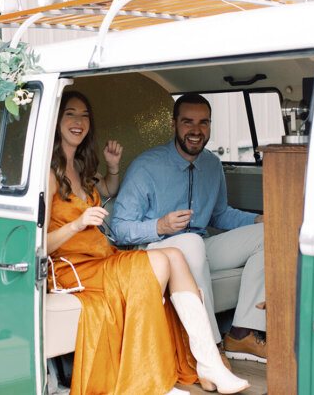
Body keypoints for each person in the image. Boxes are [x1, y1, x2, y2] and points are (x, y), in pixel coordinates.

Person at [47, 90, 250, 395]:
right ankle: (150, 379)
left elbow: (108, 187)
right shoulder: (49, 175)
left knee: (175, 256)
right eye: (70, 114)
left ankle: (210, 363)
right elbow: (37, 244)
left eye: (84, 116)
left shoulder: (81, 167)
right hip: (71, 269)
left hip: (101, 256)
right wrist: (77, 223)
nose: (79, 122)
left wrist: (113, 166)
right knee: (160, 259)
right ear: (56, 120)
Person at [111, 93, 266, 363]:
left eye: (203, 123)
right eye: (188, 122)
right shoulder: (146, 166)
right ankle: (210, 347)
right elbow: (119, 229)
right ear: (174, 125)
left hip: (198, 246)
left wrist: (257, 220)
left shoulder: (212, 164)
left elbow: (220, 215)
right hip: (154, 251)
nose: (196, 130)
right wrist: (160, 225)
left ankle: (241, 333)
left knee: (269, 235)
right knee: (191, 243)